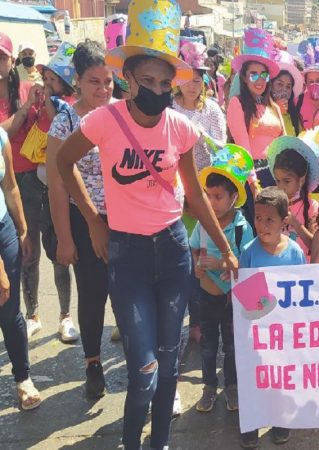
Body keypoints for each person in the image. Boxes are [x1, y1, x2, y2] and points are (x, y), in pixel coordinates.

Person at [56, 2, 238, 448]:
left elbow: (194, 194)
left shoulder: (180, 127)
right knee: (144, 370)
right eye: (148, 81)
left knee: (169, 363)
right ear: (129, 80)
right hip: (127, 254)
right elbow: (63, 161)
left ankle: (160, 442)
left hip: (173, 251)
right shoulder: (104, 120)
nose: (157, 90)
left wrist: (225, 247)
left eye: (164, 83)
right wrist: (93, 221)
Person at [45, 40, 114, 399]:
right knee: (92, 293)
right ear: (78, 81)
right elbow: (57, 185)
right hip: (84, 222)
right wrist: (65, 238)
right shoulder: (65, 122)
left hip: (125, 220)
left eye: (108, 81)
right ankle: (93, 363)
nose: (103, 89)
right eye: (94, 82)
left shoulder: (122, 114)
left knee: (127, 290)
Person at [0, 32, 72, 340]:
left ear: (12, 60)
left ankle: (65, 315)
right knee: (27, 249)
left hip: (42, 176)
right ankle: (33, 314)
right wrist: (26, 106)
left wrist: (45, 96)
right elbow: (3, 133)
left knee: (57, 248)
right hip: (13, 182)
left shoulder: (29, 87)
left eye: (2, 57)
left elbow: (54, 123)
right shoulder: (25, 96)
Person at [238, 187, 306, 447]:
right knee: (254, 377)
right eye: (258, 218)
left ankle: (280, 420)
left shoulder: (295, 252)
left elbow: (301, 291)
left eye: (270, 219)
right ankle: (252, 423)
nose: (262, 225)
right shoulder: (249, 252)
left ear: (284, 221)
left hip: (284, 332)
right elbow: (244, 295)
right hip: (256, 332)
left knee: (281, 376)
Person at [191, 145, 254, 414]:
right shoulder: (203, 223)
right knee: (208, 345)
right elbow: (194, 247)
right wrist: (196, 265)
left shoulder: (241, 227)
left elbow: (246, 261)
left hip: (232, 298)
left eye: (217, 197)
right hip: (207, 294)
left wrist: (220, 264)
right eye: (208, 195)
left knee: (232, 344)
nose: (211, 202)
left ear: (234, 198)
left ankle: (232, 386)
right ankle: (208, 386)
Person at [0, 126, 39, 410]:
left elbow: (10, 186)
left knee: (10, 309)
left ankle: (23, 379)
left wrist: (22, 229)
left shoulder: (1, 137)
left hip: (4, 227)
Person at [226, 27, 284, 190]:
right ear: (244, 78)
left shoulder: (274, 107)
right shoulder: (237, 104)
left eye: (264, 74)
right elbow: (243, 147)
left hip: (276, 176)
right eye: (253, 74)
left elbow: (283, 144)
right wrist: (253, 184)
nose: (260, 80)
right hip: (251, 177)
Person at [173, 41, 227, 173]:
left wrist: (203, 136)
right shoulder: (169, 108)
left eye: (196, 81)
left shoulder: (212, 109)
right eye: (186, 80)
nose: (191, 86)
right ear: (179, 81)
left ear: (203, 82)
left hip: (204, 175)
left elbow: (221, 148)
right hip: (174, 174)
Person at [268, 134, 319, 259]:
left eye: (287, 181)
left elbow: (316, 246)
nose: (281, 186)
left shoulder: (312, 207)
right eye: (277, 181)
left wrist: (295, 223)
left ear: (301, 180)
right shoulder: (273, 205)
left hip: (304, 268)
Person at [296, 36, 319, 130]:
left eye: (318, 81)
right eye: (310, 81)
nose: (314, 85)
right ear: (306, 83)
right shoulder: (297, 101)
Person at [270, 51, 304, 137]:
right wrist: (277, 112)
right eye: (280, 84)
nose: (284, 90)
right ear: (270, 85)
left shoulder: (294, 117)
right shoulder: (262, 112)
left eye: (288, 86)